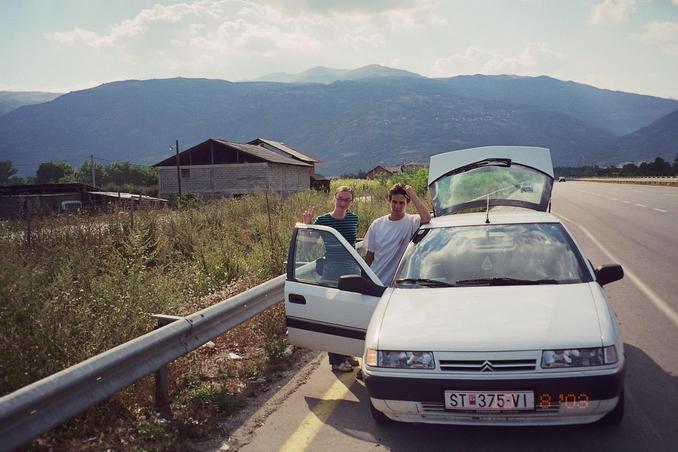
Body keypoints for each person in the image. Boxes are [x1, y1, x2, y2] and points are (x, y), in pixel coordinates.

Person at [302, 185, 360, 373]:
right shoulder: (323, 220)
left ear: (351, 202)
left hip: (352, 270)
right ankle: (336, 360)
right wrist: (308, 226)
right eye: (340, 198)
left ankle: (346, 353)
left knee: (350, 315)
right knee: (334, 316)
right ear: (334, 198)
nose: (343, 203)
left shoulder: (353, 218)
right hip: (332, 270)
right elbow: (308, 248)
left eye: (347, 200)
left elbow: (353, 245)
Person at [365, 183, 432, 285]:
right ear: (389, 201)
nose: (397, 206)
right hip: (376, 281)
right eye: (394, 202)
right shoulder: (377, 224)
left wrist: (411, 194)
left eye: (402, 203)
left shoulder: (412, 221)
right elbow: (369, 256)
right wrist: (364, 279)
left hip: (398, 285)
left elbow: (427, 218)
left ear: (407, 203)